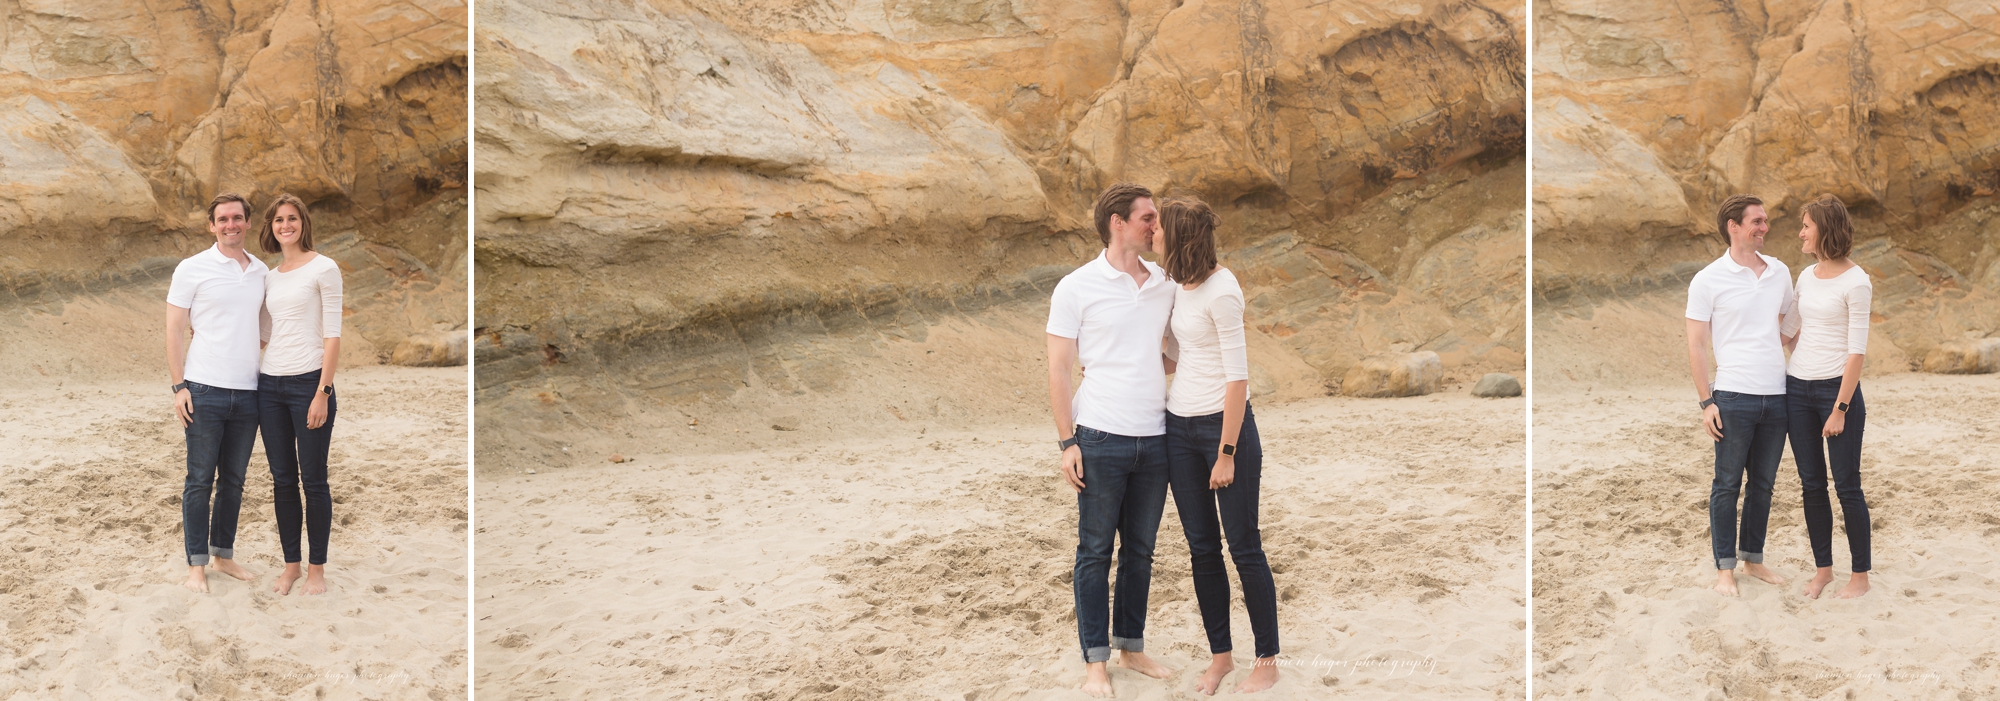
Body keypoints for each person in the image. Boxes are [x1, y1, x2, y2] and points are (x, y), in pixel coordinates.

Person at [1046, 182, 1177, 697]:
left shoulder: (1165, 283)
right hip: (1099, 435)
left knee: (1141, 551)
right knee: (1096, 551)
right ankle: (1095, 661)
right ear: (1117, 222)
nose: (1155, 226)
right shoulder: (1076, 286)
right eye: (1147, 217)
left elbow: (1166, 356)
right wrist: (1067, 442)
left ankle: (1132, 646)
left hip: (1157, 436)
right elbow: (1058, 369)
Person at [1156, 197, 1279, 694]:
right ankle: (1221, 656)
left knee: (1244, 546)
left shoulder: (1223, 290)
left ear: (1180, 234)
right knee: (1202, 548)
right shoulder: (1176, 284)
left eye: (1160, 228)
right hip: (1178, 429)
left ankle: (1267, 658)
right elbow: (1179, 359)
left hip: (1223, 431)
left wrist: (1226, 453)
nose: (1153, 234)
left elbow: (1237, 378)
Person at [1686, 194, 1795, 597]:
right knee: (1727, 485)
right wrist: (1706, 401)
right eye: (1757, 221)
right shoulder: (1708, 279)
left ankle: (1754, 559)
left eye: (1765, 221)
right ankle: (1725, 570)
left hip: (1778, 395)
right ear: (1733, 226)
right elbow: (1696, 345)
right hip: (1732, 397)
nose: (1764, 227)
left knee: (1763, 485)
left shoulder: (1781, 272)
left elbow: (1788, 329)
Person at [166, 193, 269, 593]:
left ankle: (222, 555)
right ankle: (196, 566)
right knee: (199, 480)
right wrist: (179, 386)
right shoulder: (192, 268)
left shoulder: (261, 272)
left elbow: (262, 331)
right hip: (203, 389)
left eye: (238, 218)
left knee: (234, 481)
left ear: (247, 223)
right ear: (212, 225)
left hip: (248, 394)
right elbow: (174, 330)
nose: (231, 225)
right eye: (223, 219)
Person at [1780, 194, 1872, 599]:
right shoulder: (1805, 275)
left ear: (1824, 229)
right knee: (1812, 485)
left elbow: (1857, 352)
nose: (1800, 232)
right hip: (1797, 389)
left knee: (1847, 486)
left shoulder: (1857, 281)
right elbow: (1789, 329)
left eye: (1806, 225)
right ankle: (1824, 571)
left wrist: (1840, 409)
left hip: (1838, 392)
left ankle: (1860, 577)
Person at [256, 193, 344, 595]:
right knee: (282, 481)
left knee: (314, 481)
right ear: (271, 227)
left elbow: (332, 334)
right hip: (269, 386)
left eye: (292, 218)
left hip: (310, 384)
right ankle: (291, 565)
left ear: (303, 223)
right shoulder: (270, 277)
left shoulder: (325, 268)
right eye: (278, 220)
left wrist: (322, 391)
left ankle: (316, 571)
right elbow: (263, 334)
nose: (285, 225)